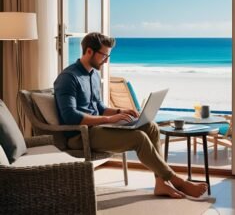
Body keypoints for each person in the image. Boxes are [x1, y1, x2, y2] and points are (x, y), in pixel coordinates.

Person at [54, 32, 208, 199]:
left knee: (151, 127)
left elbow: (99, 107)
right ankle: (177, 181)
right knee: (138, 138)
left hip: (98, 128)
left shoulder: (93, 75)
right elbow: (70, 116)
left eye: (108, 55)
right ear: (89, 51)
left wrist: (120, 112)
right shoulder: (68, 78)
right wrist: (108, 119)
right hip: (80, 135)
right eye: (104, 55)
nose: (106, 60)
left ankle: (161, 183)